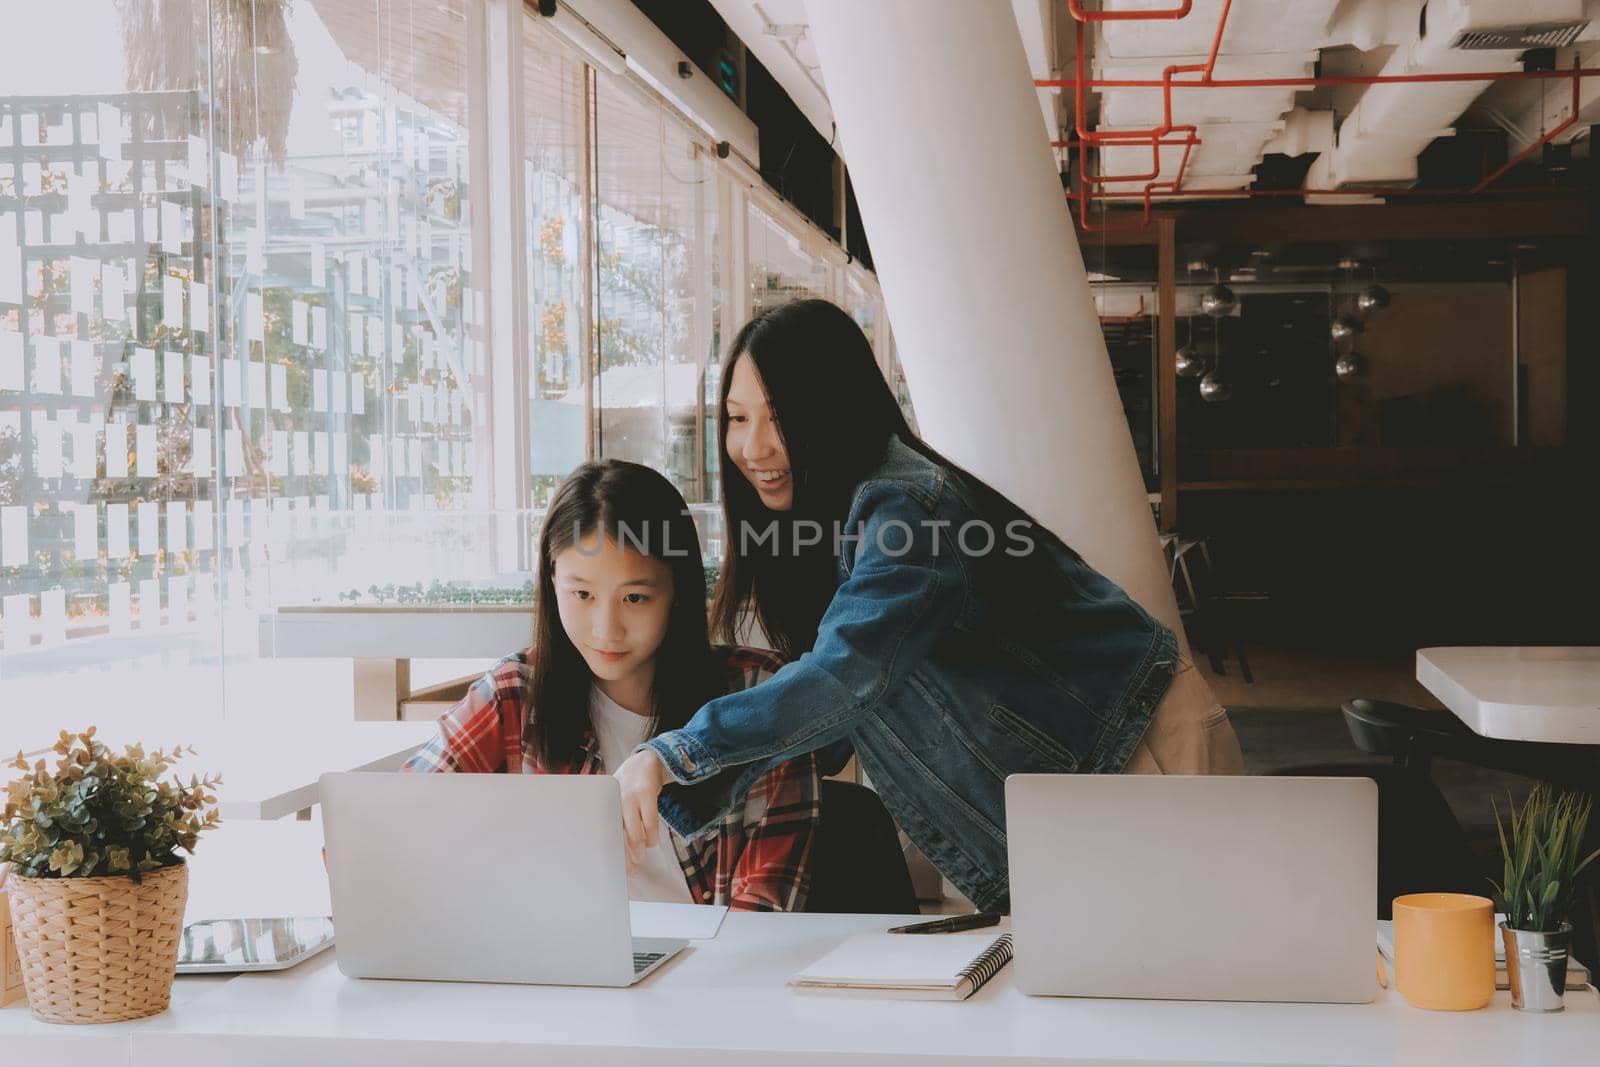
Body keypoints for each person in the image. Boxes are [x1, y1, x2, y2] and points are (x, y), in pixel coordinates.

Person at [616, 299, 1242, 913]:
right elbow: (840, 712)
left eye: (778, 416)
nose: (753, 447)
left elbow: (844, 674)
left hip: (1129, 754)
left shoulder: (907, 508)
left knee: (1182, 990)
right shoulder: (827, 518)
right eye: (735, 417)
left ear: (833, 410)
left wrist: (678, 754)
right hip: (1059, 789)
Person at [403, 459, 820, 912]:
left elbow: (763, 911)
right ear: (552, 582)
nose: (607, 630)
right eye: (581, 595)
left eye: (635, 598)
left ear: (677, 591)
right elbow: (393, 829)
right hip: (551, 970)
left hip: (714, 971)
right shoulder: (515, 694)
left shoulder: (756, 694)